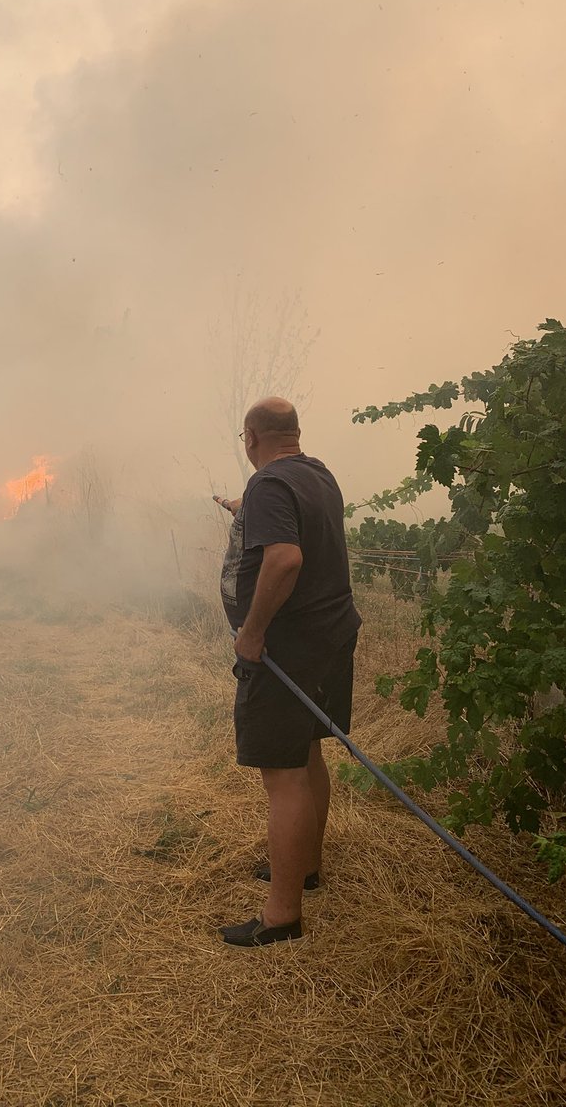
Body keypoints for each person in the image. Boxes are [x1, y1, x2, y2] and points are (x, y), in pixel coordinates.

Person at [214, 397, 361, 947]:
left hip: (289, 651)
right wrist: (243, 509)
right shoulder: (316, 474)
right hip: (331, 635)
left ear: (251, 438)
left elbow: (286, 558)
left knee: (283, 773)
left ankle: (281, 916)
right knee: (307, 752)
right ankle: (305, 867)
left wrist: (251, 634)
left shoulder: (268, 485)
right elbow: (295, 528)